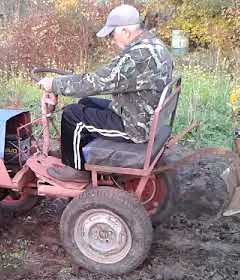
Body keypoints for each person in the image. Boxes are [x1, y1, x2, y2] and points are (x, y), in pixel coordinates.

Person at [38, 4, 174, 182]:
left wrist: (54, 84)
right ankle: (75, 149)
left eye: (112, 34)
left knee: (72, 114)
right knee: (85, 102)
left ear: (125, 31)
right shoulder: (153, 45)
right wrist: (64, 83)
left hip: (136, 127)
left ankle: (76, 170)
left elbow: (96, 82)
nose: (111, 39)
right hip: (141, 112)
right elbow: (101, 79)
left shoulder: (138, 57)